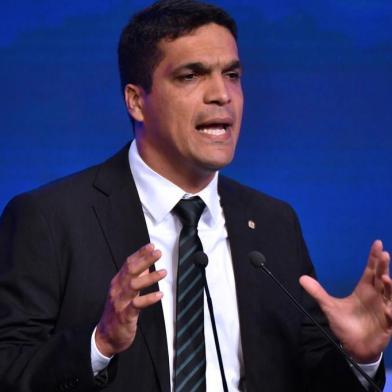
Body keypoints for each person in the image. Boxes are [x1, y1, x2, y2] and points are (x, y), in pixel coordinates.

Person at [0, 0, 390, 391]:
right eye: (191, 75)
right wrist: (98, 344)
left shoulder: (274, 223)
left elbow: (312, 381)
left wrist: (361, 357)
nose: (222, 94)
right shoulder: (50, 219)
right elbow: (9, 369)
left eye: (233, 74)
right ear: (136, 100)